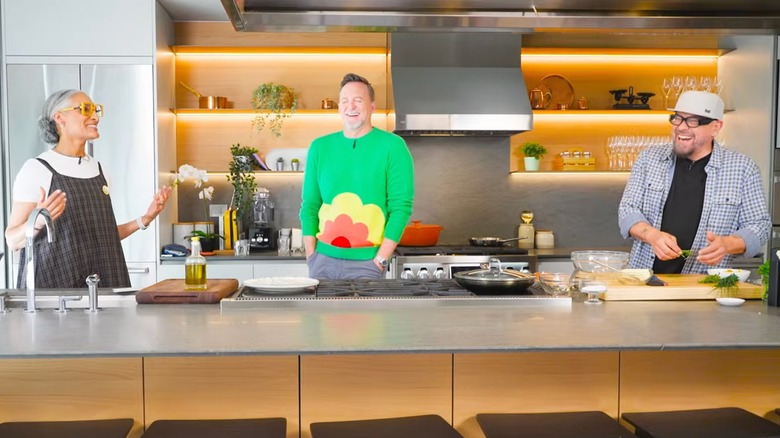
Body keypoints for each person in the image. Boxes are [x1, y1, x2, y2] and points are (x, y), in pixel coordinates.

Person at [4, 89, 171, 288]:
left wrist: (144, 219)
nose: (94, 117)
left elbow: (101, 235)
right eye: (85, 109)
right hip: (55, 291)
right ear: (60, 118)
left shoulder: (100, 170)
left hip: (103, 284)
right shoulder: (37, 169)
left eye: (95, 110)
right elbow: (12, 240)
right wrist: (39, 221)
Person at [618, 90, 770, 274]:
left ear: (716, 127)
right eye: (678, 118)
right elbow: (628, 209)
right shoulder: (649, 159)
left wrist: (728, 244)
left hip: (704, 285)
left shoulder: (743, 168)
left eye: (693, 121)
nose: (681, 127)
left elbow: (760, 225)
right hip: (645, 281)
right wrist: (651, 235)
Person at [300, 73, 414, 279]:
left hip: (367, 264)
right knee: (318, 313)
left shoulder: (393, 147)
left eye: (358, 100)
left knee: (367, 313)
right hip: (322, 261)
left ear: (372, 107)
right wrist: (311, 255)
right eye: (345, 101)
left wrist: (380, 260)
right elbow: (309, 205)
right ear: (339, 108)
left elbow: (400, 208)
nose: (350, 106)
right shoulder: (319, 147)